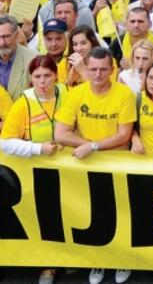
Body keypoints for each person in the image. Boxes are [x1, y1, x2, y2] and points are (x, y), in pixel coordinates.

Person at [55, 47, 135, 284]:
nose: (98, 74)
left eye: (103, 69)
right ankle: (98, 260)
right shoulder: (76, 93)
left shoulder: (124, 94)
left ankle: (122, 259)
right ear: (85, 70)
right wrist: (90, 145)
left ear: (112, 69)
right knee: (94, 215)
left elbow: (124, 135)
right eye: (93, 69)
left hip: (116, 163)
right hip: (87, 164)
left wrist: (92, 147)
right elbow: (61, 133)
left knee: (121, 213)